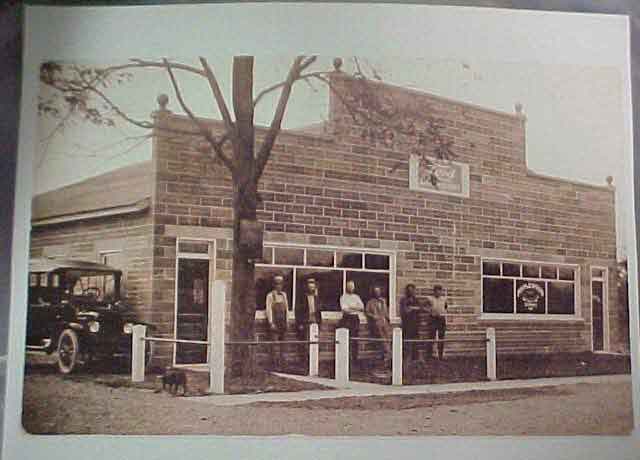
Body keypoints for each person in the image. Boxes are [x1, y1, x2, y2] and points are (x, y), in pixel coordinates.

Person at [295, 278, 323, 364]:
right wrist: (299, 323)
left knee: (315, 341)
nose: (311, 288)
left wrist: (319, 323)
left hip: (315, 322)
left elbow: (319, 310)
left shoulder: (317, 298)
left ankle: (314, 360)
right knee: (305, 342)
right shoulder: (302, 298)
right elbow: (298, 311)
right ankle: (304, 360)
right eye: (310, 286)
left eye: (313, 286)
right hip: (305, 322)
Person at [337, 280, 364, 366]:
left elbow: (362, 308)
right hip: (347, 319)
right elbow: (345, 310)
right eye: (349, 286)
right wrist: (355, 308)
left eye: (352, 287)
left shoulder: (356, 297)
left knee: (355, 339)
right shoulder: (343, 297)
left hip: (355, 319)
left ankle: (354, 359)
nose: (351, 288)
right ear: (346, 287)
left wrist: (351, 307)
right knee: (345, 338)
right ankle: (345, 358)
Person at [265, 275, 289, 369]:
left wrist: (287, 321)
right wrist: (271, 322)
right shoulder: (270, 295)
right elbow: (268, 309)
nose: (279, 286)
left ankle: (282, 364)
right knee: (274, 344)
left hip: (282, 322)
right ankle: (273, 364)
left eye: (281, 284)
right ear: (274, 285)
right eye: (277, 284)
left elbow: (286, 309)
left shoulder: (284, 295)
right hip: (275, 322)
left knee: (283, 344)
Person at [365, 285, 392, 365]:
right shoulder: (370, 302)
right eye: (376, 291)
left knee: (388, 338)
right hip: (377, 323)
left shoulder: (383, 300)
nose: (377, 293)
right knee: (382, 339)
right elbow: (367, 312)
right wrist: (373, 316)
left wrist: (388, 319)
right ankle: (388, 355)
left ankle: (387, 355)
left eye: (379, 291)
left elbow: (386, 312)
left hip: (385, 322)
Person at [399, 283, 421, 362]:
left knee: (415, 340)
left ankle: (415, 357)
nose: (411, 292)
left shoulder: (416, 300)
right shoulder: (404, 300)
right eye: (409, 290)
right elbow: (405, 311)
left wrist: (413, 308)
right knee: (407, 340)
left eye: (413, 290)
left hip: (415, 323)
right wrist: (411, 309)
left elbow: (420, 308)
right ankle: (406, 357)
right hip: (407, 323)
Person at [425, 284, 448, 360]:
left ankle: (440, 355)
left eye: (439, 291)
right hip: (433, 319)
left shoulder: (444, 299)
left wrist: (443, 312)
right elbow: (424, 306)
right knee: (431, 336)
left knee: (441, 337)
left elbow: (445, 307)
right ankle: (429, 355)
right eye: (436, 291)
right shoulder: (430, 299)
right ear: (434, 292)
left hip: (441, 319)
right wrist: (430, 311)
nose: (438, 293)